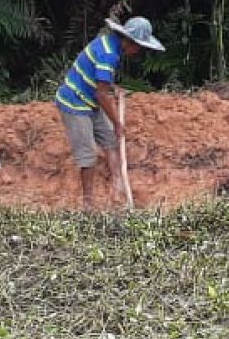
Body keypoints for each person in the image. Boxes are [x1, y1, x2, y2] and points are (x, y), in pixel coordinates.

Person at [55, 16, 163, 208]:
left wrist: (113, 87)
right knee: (88, 156)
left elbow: (99, 81)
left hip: (91, 100)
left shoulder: (110, 44)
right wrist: (117, 123)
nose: (138, 52)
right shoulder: (108, 54)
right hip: (75, 102)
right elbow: (101, 95)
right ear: (130, 41)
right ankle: (88, 204)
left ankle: (118, 187)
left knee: (110, 141)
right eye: (139, 47)